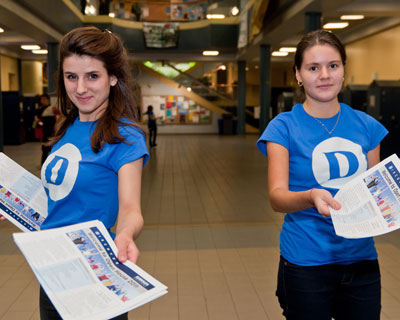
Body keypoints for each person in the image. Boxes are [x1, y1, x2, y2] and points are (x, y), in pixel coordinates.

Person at [256, 30, 388, 320]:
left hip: (362, 261)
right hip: (305, 263)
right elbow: (277, 198)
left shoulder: (368, 127)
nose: (324, 75)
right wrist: (310, 196)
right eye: (313, 68)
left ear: (343, 70)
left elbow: (375, 192)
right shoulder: (284, 127)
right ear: (299, 75)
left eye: (333, 65)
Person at [39, 26, 149, 319]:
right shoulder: (67, 128)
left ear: (112, 77)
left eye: (93, 76)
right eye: (71, 76)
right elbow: (61, 195)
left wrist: (125, 234)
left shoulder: (124, 136)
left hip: (93, 273)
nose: (80, 88)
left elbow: (130, 207)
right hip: (51, 271)